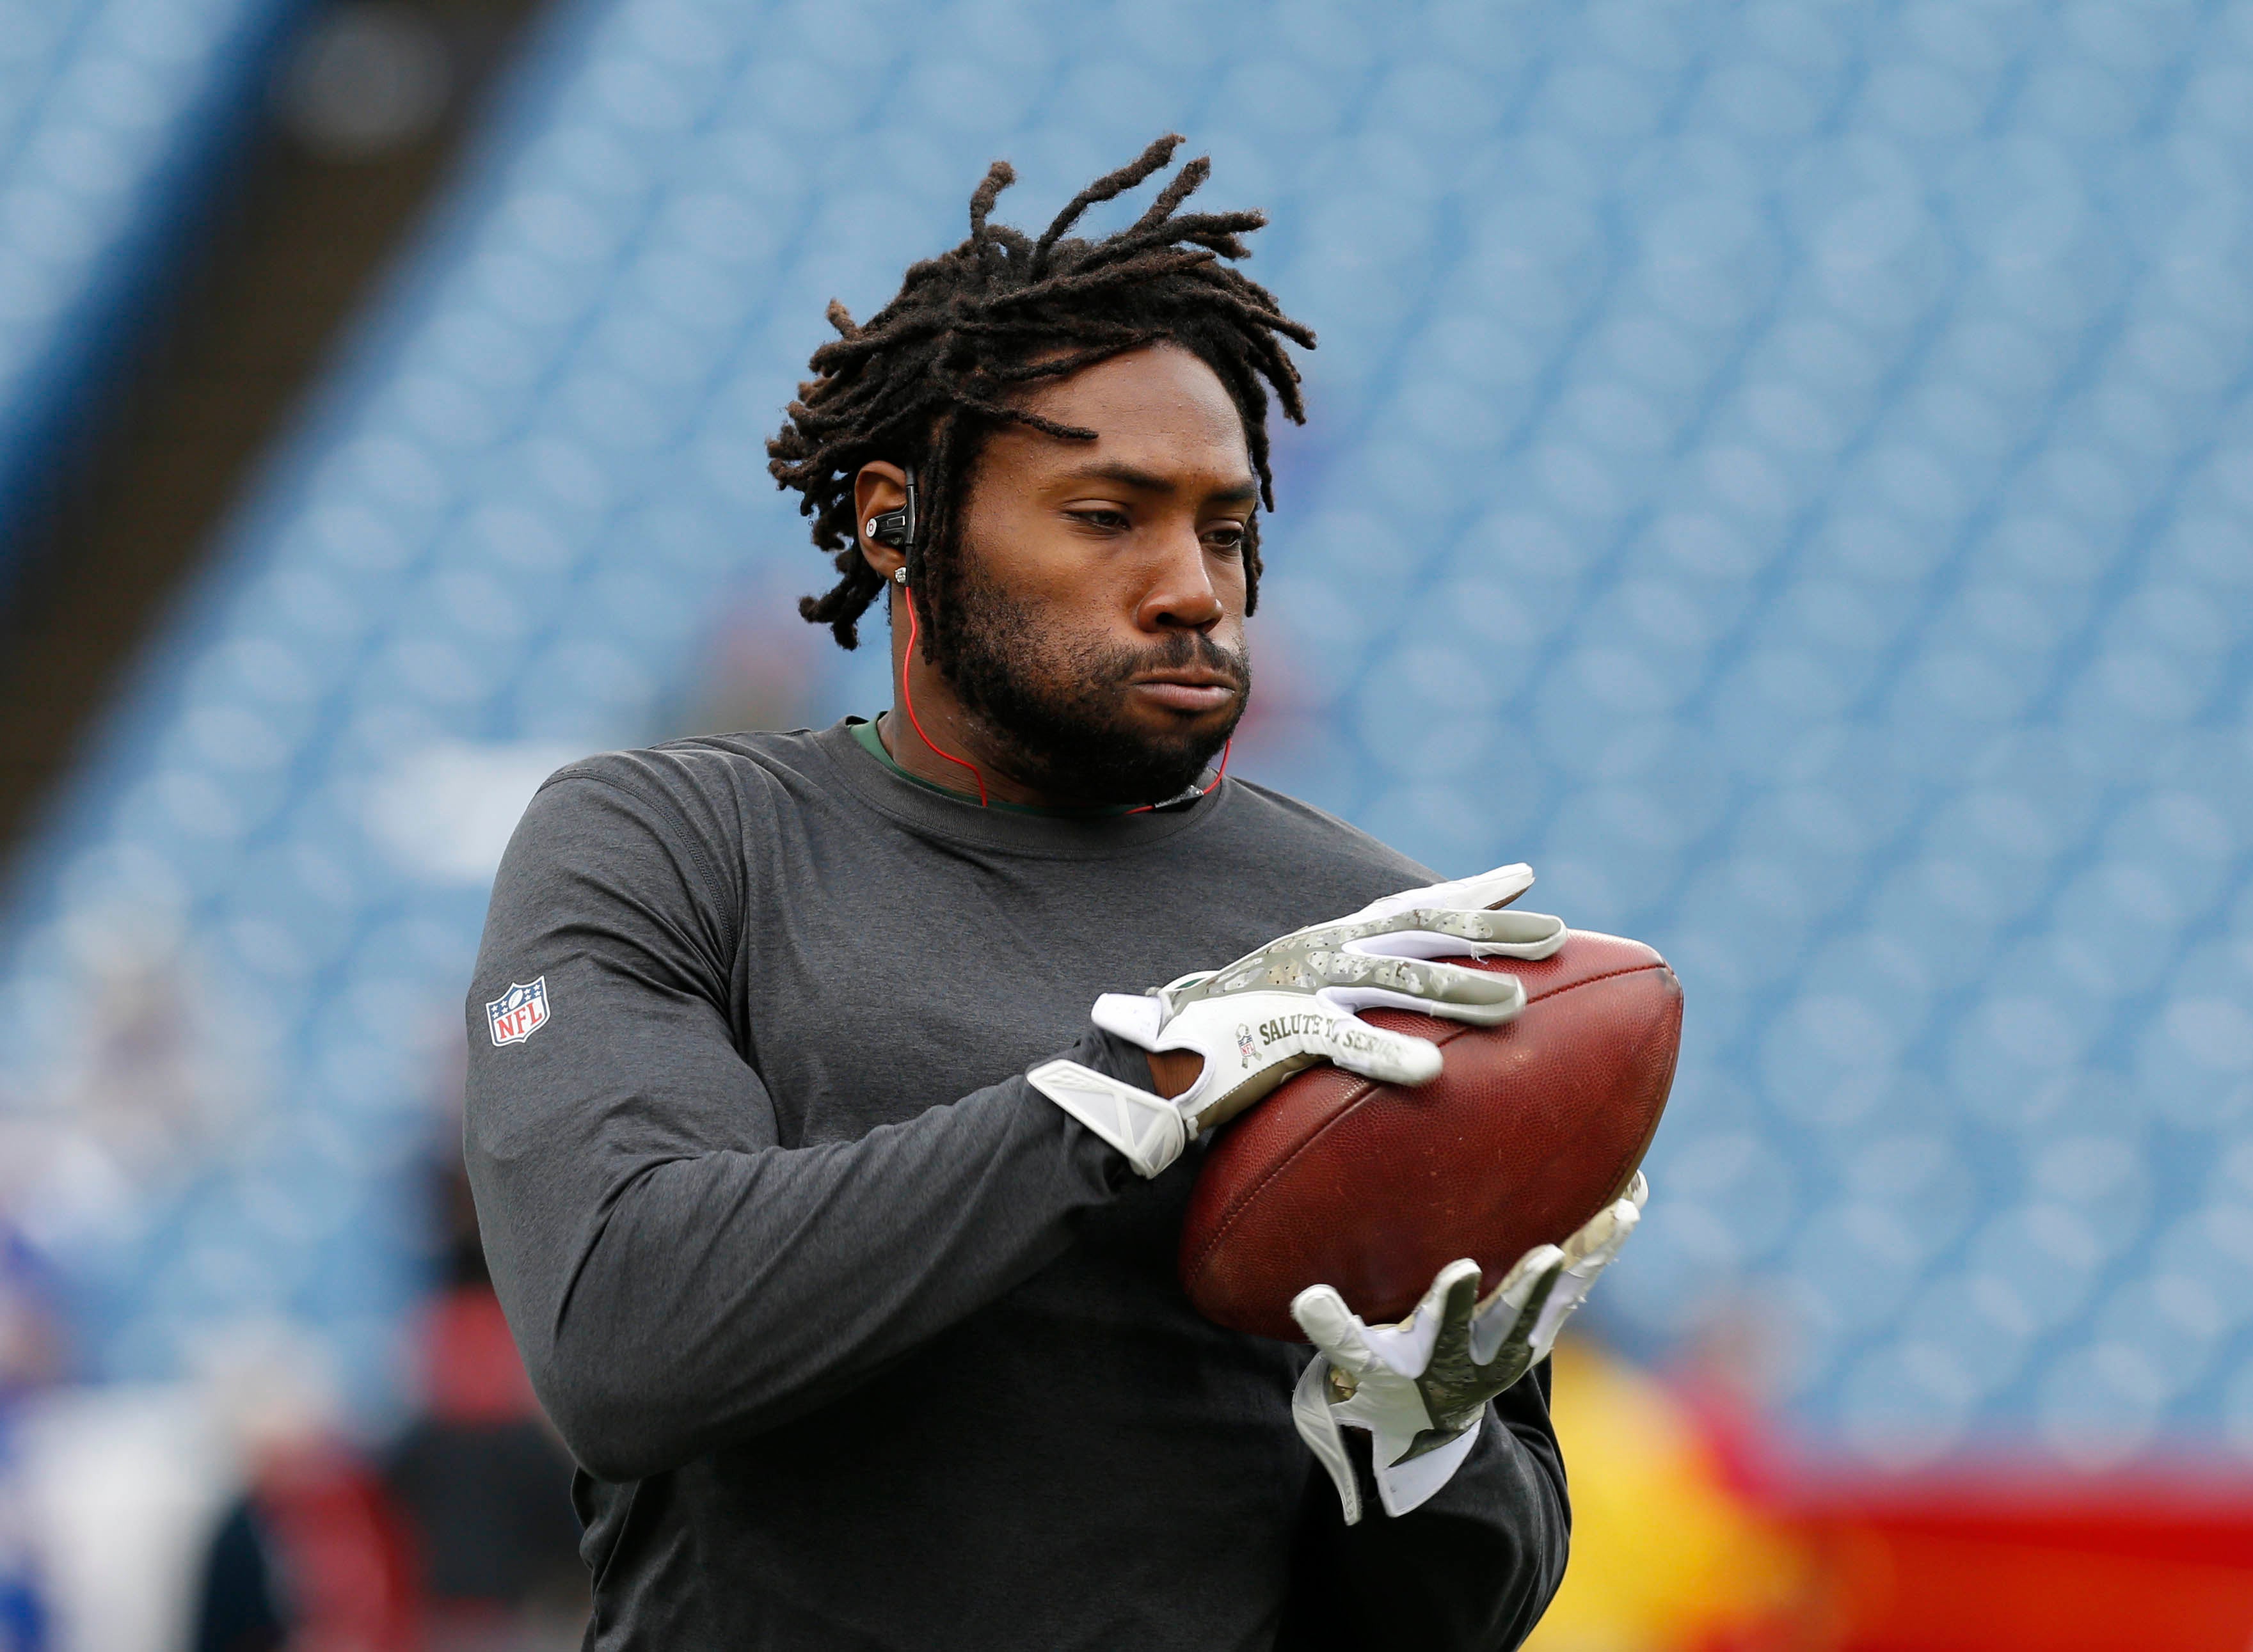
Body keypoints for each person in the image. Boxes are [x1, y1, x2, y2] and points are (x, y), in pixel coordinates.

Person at [464, 136, 1644, 1651]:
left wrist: (1421, 1451)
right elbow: (624, 1339)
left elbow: (1452, 1613)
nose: (1194, 588)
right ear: (898, 520)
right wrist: (1129, 1092)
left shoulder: (1372, 936)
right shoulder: (676, 841)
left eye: (1225, 529)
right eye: (1110, 515)